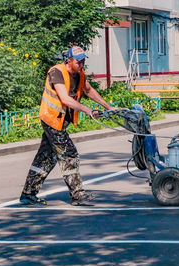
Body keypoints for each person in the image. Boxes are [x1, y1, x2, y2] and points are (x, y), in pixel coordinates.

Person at [19, 46, 115, 206]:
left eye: (84, 61)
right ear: (69, 61)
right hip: (51, 119)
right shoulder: (56, 72)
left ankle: (28, 194)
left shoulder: (79, 74)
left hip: (60, 122)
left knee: (46, 157)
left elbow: (89, 91)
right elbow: (65, 99)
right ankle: (77, 195)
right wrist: (88, 110)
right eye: (79, 61)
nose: (82, 64)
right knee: (69, 154)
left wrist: (108, 107)